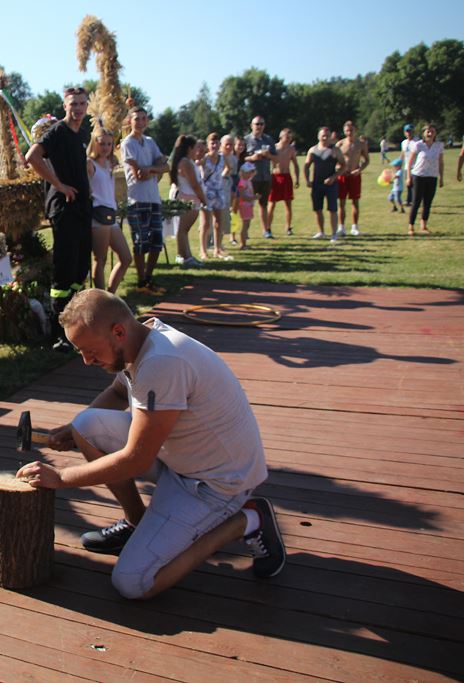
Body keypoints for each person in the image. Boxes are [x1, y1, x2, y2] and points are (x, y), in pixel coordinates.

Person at [15, 289, 285, 600]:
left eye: (89, 350)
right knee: (85, 425)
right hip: (182, 459)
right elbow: (118, 394)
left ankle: (247, 520)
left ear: (118, 332)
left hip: (217, 484)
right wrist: (73, 430)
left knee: (134, 582)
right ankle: (136, 523)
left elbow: (137, 460)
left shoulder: (161, 363)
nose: (86, 361)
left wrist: (60, 478)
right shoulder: (140, 339)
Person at [25, 86, 93, 350]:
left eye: (81, 104)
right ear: (65, 106)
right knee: (64, 272)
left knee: (80, 268)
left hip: (82, 208)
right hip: (64, 209)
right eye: (73, 104)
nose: (77, 108)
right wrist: (59, 185)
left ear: (87, 106)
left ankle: (76, 328)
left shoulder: (82, 134)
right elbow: (32, 157)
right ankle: (58, 333)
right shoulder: (57, 132)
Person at [120, 106, 170, 296]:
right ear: (130, 121)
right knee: (141, 241)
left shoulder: (150, 142)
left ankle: (149, 278)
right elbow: (138, 174)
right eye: (136, 119)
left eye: (143, 118)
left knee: (157, 240)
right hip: (137, 198)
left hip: (153, 198)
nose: (140, 122)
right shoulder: (127, 143)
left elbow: (165, 165)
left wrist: (151, 168)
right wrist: (154, 168)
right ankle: (141, 279)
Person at [87, 128, 132, 293]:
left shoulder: (109, 163)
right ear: (95, 143)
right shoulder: (90, 164)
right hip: (98, 214)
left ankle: (110, 294)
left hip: (110, 213)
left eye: (109, 144)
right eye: (102, 144)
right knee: (100, 259)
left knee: (126, 258)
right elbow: (87, 188)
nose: (106, 147)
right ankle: (102, 298)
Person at [169, 135, 208, 266]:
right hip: (188, 199)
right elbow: (195, 184)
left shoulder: (188, 161)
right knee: (183, 230)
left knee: (184, 230)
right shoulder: (185, 163)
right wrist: (204, 199)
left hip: (189, 199)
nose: (197, 151)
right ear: (189, 148)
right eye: (195, 147)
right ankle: (185, 256)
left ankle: (186, 255)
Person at [303, 127, 347, 243]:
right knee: (317, 209)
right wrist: (307, 180)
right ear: (318, 136)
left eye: (327, 136)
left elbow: (344, 166)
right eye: (323, 135)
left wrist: (333, 177)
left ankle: (333, 234)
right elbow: (306, 166)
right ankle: (321, 231)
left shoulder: (335, 150)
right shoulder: (312, 150)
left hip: (331, 184)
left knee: (332, 209)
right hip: (317, 184)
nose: (325, 138)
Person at [405, 123, 444, 236]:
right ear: (424, 133)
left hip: (432, 176)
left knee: (427, 203)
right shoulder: (418, 145)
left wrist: (441, 177)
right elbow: (410, 162)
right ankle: (411, 226)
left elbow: (441, 163)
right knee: (416, 202)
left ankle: (424, 225)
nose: (430, 133)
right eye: (428, 131)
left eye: (432, 131)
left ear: (435, 133)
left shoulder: (439, 146)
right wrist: (408, 177)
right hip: (419, 176)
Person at [199, 133, 231, 260]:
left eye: (217, 142)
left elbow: (229, 167)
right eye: (212, 143)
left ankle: (217, 249)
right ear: (208, 145)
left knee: (218, 222)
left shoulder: (222, 157)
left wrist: (222, 176)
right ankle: (203, 251)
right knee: (205, 223)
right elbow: (196, 165)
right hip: (206, 192)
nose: (214, 145)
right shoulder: (205, 158)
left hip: (219, 191)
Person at [336, 121, 370, 236]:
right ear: (344, 131)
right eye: (347, 130)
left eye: (351, 130)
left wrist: (359, 170)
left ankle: (354, 227)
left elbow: (366, 160)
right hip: (342, 176)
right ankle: (341, 227)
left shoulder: (361, 144)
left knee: (355, 202)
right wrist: (339, 168)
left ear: (355, 130)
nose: (349, 132)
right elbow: (334, 161)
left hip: (355, 175)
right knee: (341, 202)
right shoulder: (340, 144)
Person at [243, 116, 275, 238]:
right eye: (257, 124)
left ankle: (266, 231)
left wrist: (269, 155)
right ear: (252, 126)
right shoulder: (246, 140)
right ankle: (244, 232)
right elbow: (239, 158)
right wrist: (252, 158)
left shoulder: (269, 140)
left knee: (264, 205)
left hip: (265, 177)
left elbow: (276, 158)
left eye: (261, 124)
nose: (259, 126)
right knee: (247, 205)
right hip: (250, 179)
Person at [267, 129, 299, 236]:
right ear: (281, 137)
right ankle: (268, 228)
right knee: (271, 204)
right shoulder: (274, 148)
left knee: (288, 204)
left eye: (290, 137)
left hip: (287, 177)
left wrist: (297, 178)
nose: (289, 139)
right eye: (287, 136)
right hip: (275, 177)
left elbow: (295, 164)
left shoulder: (291, 149)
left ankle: (288, 227)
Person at [235, 162, 257, 249]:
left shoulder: (247, 181)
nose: (249, 174)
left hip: (248, 205)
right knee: (245, 224)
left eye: (251, 172)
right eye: (247, 172)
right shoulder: (242, 182)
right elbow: (242, 196)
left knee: (247, 224)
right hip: (244, 205)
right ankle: (243, 244)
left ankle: (244, 243)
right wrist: (254, 198)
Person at [400, 124, 416, 207]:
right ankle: (408, 200)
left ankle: (414, 201)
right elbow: (402, 154)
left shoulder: (417, 142)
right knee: (408, 184)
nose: (409, 133)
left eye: (410, 131)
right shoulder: (404, 142)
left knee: (414, 185)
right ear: (404, 132)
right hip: (407, 167)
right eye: (407, 131)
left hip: (415, 167)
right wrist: (399, 163)